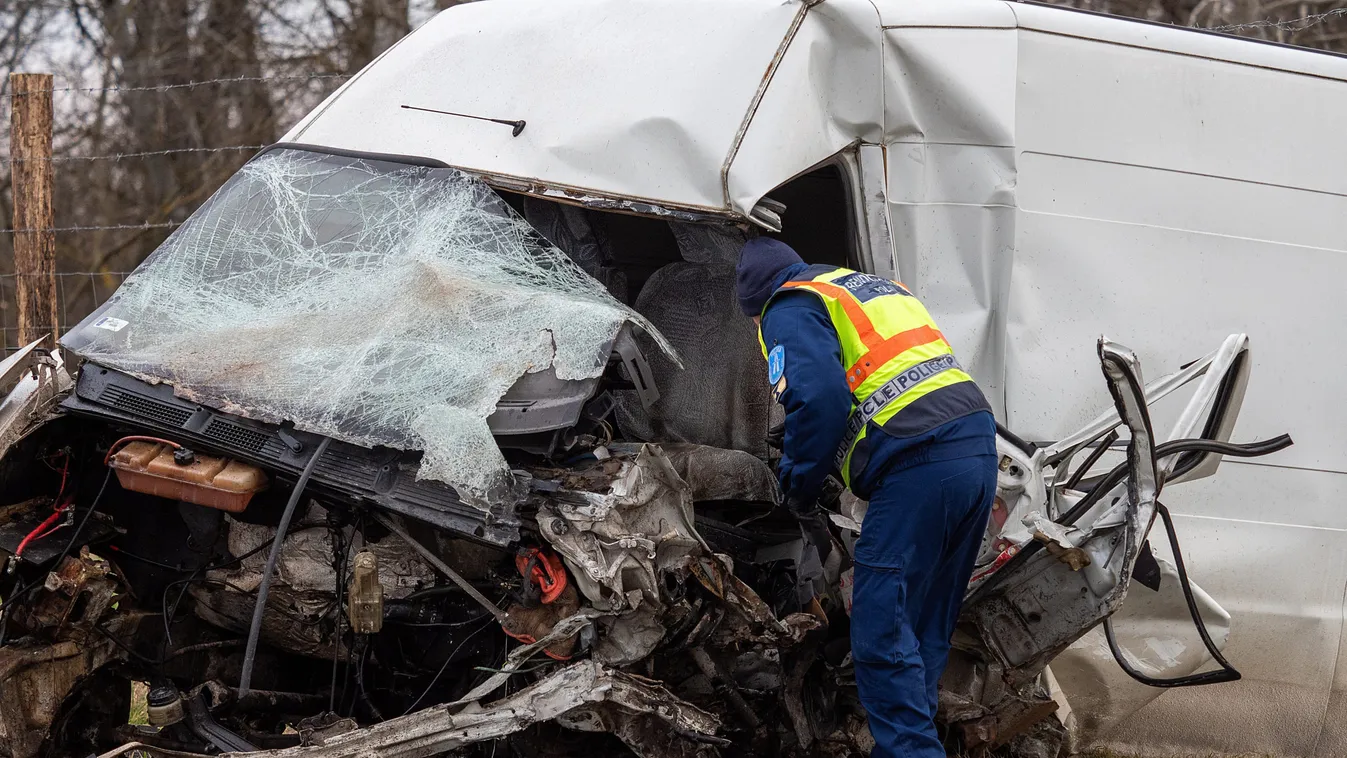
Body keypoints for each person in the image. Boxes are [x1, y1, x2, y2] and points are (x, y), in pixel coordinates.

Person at [736, 237, 997, 758]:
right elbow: (885, 380)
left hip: (919, 465)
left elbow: (820, 395)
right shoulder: (864, 288)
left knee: (879, 631)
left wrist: (800, 481)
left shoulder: (785, 305)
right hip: (975, 451)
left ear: (754, 304)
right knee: (922, 627)